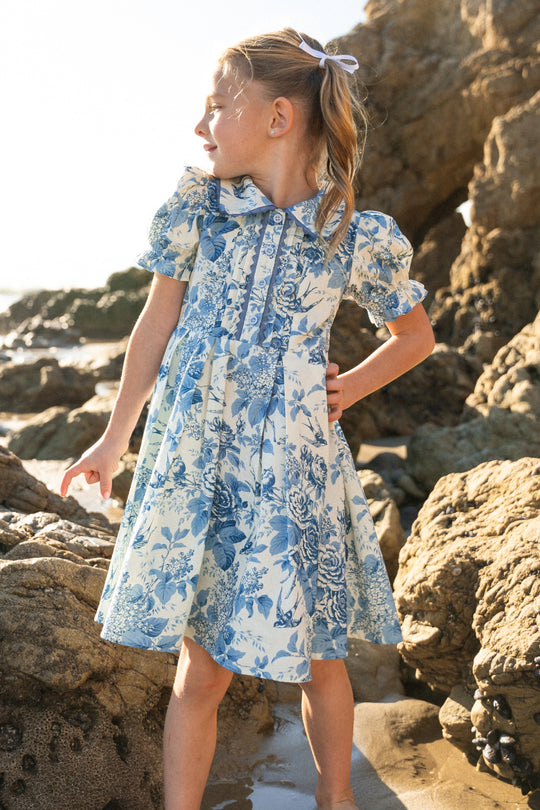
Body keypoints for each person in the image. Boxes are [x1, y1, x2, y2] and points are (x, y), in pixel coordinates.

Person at [61, 28, 434, 810]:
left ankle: (337, 802)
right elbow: (154, 327)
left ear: (275, 118)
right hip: (204, 466)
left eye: (216, 106)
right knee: (201, 668)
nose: (201, 126)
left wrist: (349, 390)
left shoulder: (348, 233)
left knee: (320, 658)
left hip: (295, 471)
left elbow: (415, 336)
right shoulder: (200, 208)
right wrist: (113, 437)